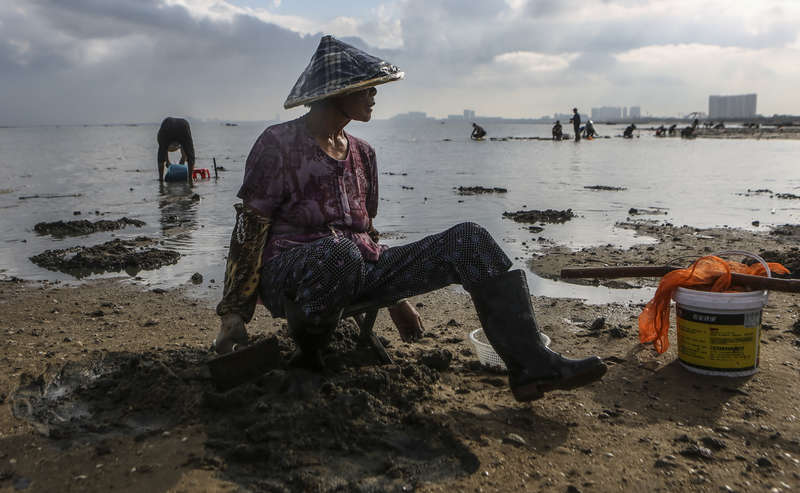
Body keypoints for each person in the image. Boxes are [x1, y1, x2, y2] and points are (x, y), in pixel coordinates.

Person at [212, 36, 606, 401]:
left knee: (470, 239)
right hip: (293, 275)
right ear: (336, 92)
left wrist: (394, 299)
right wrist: (234, 314)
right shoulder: (277, 144)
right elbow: (249, 229)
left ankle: (531, 365)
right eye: (366, 86)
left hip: (356, 265)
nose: (374, 94)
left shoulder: (363, 154)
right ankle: (309, 359)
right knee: (339, 255)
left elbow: (365, 233)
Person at [157, 117, 195, 185]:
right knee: (190, 155)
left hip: (167, 126)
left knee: (161, 156)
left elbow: (163, 148)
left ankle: (160, 179)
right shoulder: (183, 126)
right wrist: (183, 160)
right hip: (183, 126)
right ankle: (190, 178)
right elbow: (187, 151)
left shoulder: (162, 137)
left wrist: (168, 162)